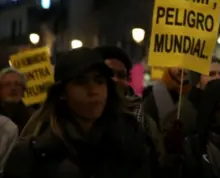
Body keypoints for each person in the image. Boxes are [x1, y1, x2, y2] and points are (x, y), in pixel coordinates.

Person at [3, 47, 151, 178]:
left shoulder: (130, 140)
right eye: (81, 82)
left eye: (99, 81)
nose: (93, 90)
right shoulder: (32, 154)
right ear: (62, 92)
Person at [0, 68, 33, 132]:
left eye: (17, 84)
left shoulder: (33, 117)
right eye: (7, 84)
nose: (13, 88)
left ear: (24, 90)